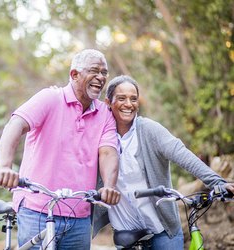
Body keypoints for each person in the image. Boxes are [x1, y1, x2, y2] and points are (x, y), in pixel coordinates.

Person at [0, 49, 121, 249]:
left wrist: (109, 186)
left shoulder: (104, 113)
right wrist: (5, 166)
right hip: (37, 210)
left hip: (79, 216)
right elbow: (15, 125)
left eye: (104, 72)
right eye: (94, 71)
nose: (101, 77)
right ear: (74, 75)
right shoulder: (50, 98)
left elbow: (108, 152)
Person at [93, 75, 234, 249]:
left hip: (162, 230)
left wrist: (217, 182)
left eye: (133, 99)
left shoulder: (149, 130)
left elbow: (182, 154)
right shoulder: (99, 135)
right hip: (125, 232)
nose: (128, 104)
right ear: (108, 102)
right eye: (121, 98)